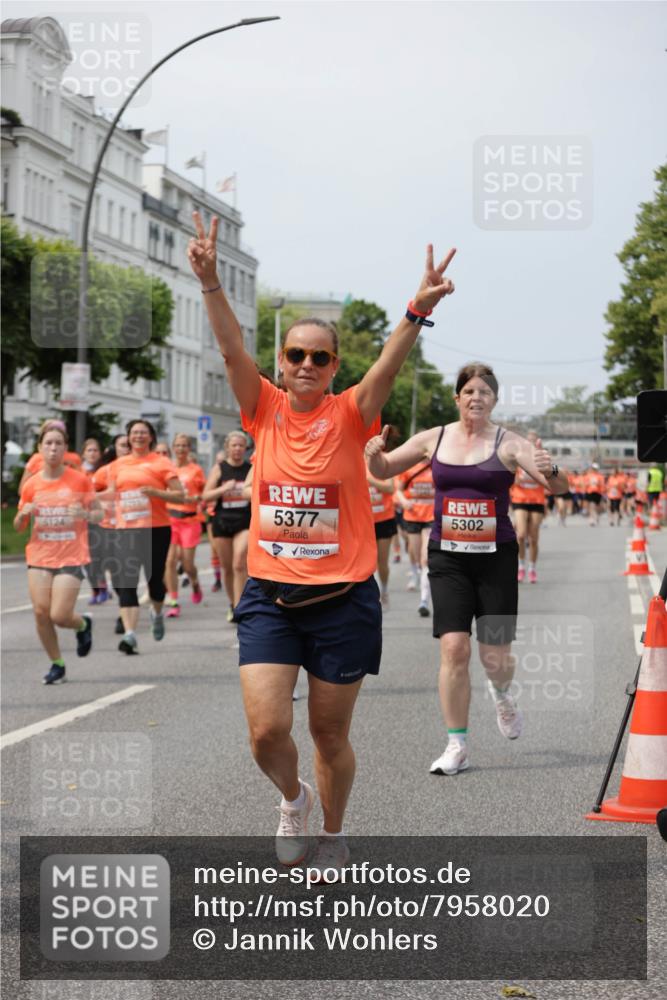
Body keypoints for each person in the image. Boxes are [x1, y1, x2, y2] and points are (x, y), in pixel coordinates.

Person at [188, 210, 456, 873]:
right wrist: (210, 284)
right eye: (295, 355)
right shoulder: (263, 408)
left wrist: (414, 312)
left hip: (342, 602)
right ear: (282, 362)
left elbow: (389, 370)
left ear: (334, 366)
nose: (306, 364)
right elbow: (227, 350)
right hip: (270, 599)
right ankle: (292, 798)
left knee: (328, 733)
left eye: (319, 356)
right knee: (266, 731)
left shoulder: (350, 412)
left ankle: (332, 832)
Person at [366, 362, 568, 776]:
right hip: (448, 557)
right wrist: (373, 456)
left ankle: (502, 693)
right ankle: (456, 744)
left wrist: (551, 469)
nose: (477, 398)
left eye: (486, 393)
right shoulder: (433, 439)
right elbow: (384, 470)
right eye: (469, 391)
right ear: (457, 397)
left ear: (495, 401)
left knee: (495, 657)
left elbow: (558, 487)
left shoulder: (508, 444)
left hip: (495, 559)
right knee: (454, 647)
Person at [14, 420, 101, 684]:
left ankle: (82, 624)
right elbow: (19, 527)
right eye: (48, 443)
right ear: (39, 448)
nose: (53, 448)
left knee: (60, 616)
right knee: (41, 612)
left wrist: (85, 513)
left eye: (58, 444)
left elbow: (99, 514)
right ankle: (57, 663)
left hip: (71, 555)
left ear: (66, 449)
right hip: (40, 556)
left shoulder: (79, 480)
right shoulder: (32, 485)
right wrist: (23, 514)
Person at [93, 419, 183, 654]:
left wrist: (155, 492)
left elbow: (180, 495)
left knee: (154, 582)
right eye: (134, 433)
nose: (139, 436)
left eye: (143, 432)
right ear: (129, 437)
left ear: (151, 437)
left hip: (157, 529)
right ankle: (130, 634)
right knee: (126, 582)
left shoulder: (162, 463)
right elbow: (107, 492)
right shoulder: (117, 465)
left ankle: (157, 612)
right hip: (126, 530)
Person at [202, 431, 252, 623]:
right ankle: (232, 604)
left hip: (244, 521)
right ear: (227, 448)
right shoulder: (219, 469)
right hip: (222, 522)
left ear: (245, 449)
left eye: (241, 445)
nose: (237, 449)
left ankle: (241, 607)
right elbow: (206, 496)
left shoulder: (250, 468)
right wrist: (224, 488)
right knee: (228, 568)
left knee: (239, 564)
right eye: (234, 445)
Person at [164, 433, 206, 617]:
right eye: (178, 445)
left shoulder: (195, 470)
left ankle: (195, 582)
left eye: (184, 446)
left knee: (188, 564)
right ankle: (174, 600)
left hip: (189, 520)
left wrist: (197, 498)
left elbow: (204, 493)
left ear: (189, 449)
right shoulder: (167, 468)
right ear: (173, 448)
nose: (181, 449)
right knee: (170, 561)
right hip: (170, 519)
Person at [396, 458, 435, 616]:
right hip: (412, 516)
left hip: (431, 517)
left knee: (426, 558)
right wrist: (404, 501)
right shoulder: (409, 467)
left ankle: (424, 601)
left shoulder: (437, 467)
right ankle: (414, 573)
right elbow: (398, 489)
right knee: (414, 553)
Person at [510, 431, 546, 583]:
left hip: (537, 501)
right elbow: (510, 477)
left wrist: (550, 471)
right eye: (528, 441)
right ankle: (521, 567)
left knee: (533, 539)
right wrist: (515, 478)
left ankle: (532, 569)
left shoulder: (542, 458)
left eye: (533, 441)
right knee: (520, 535)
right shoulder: (518, 458)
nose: (530, 444)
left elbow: (557, 471)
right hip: (520, 499)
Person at [18, 421, 82, 494]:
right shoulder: (36, 458)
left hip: (67, 496)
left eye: (58, 442)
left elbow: (82, 483)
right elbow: (22, 489)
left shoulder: (74, 458)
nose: (53, 448)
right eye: (49, 442)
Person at [366, 459, 396, 606]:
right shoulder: (355, 460)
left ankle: (384, 589)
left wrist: (369, 479)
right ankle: (372, 593)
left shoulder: (383, 460)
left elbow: (390, 488)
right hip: (364, 521)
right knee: (367, 561)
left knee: (382, 561)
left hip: (384, 519)